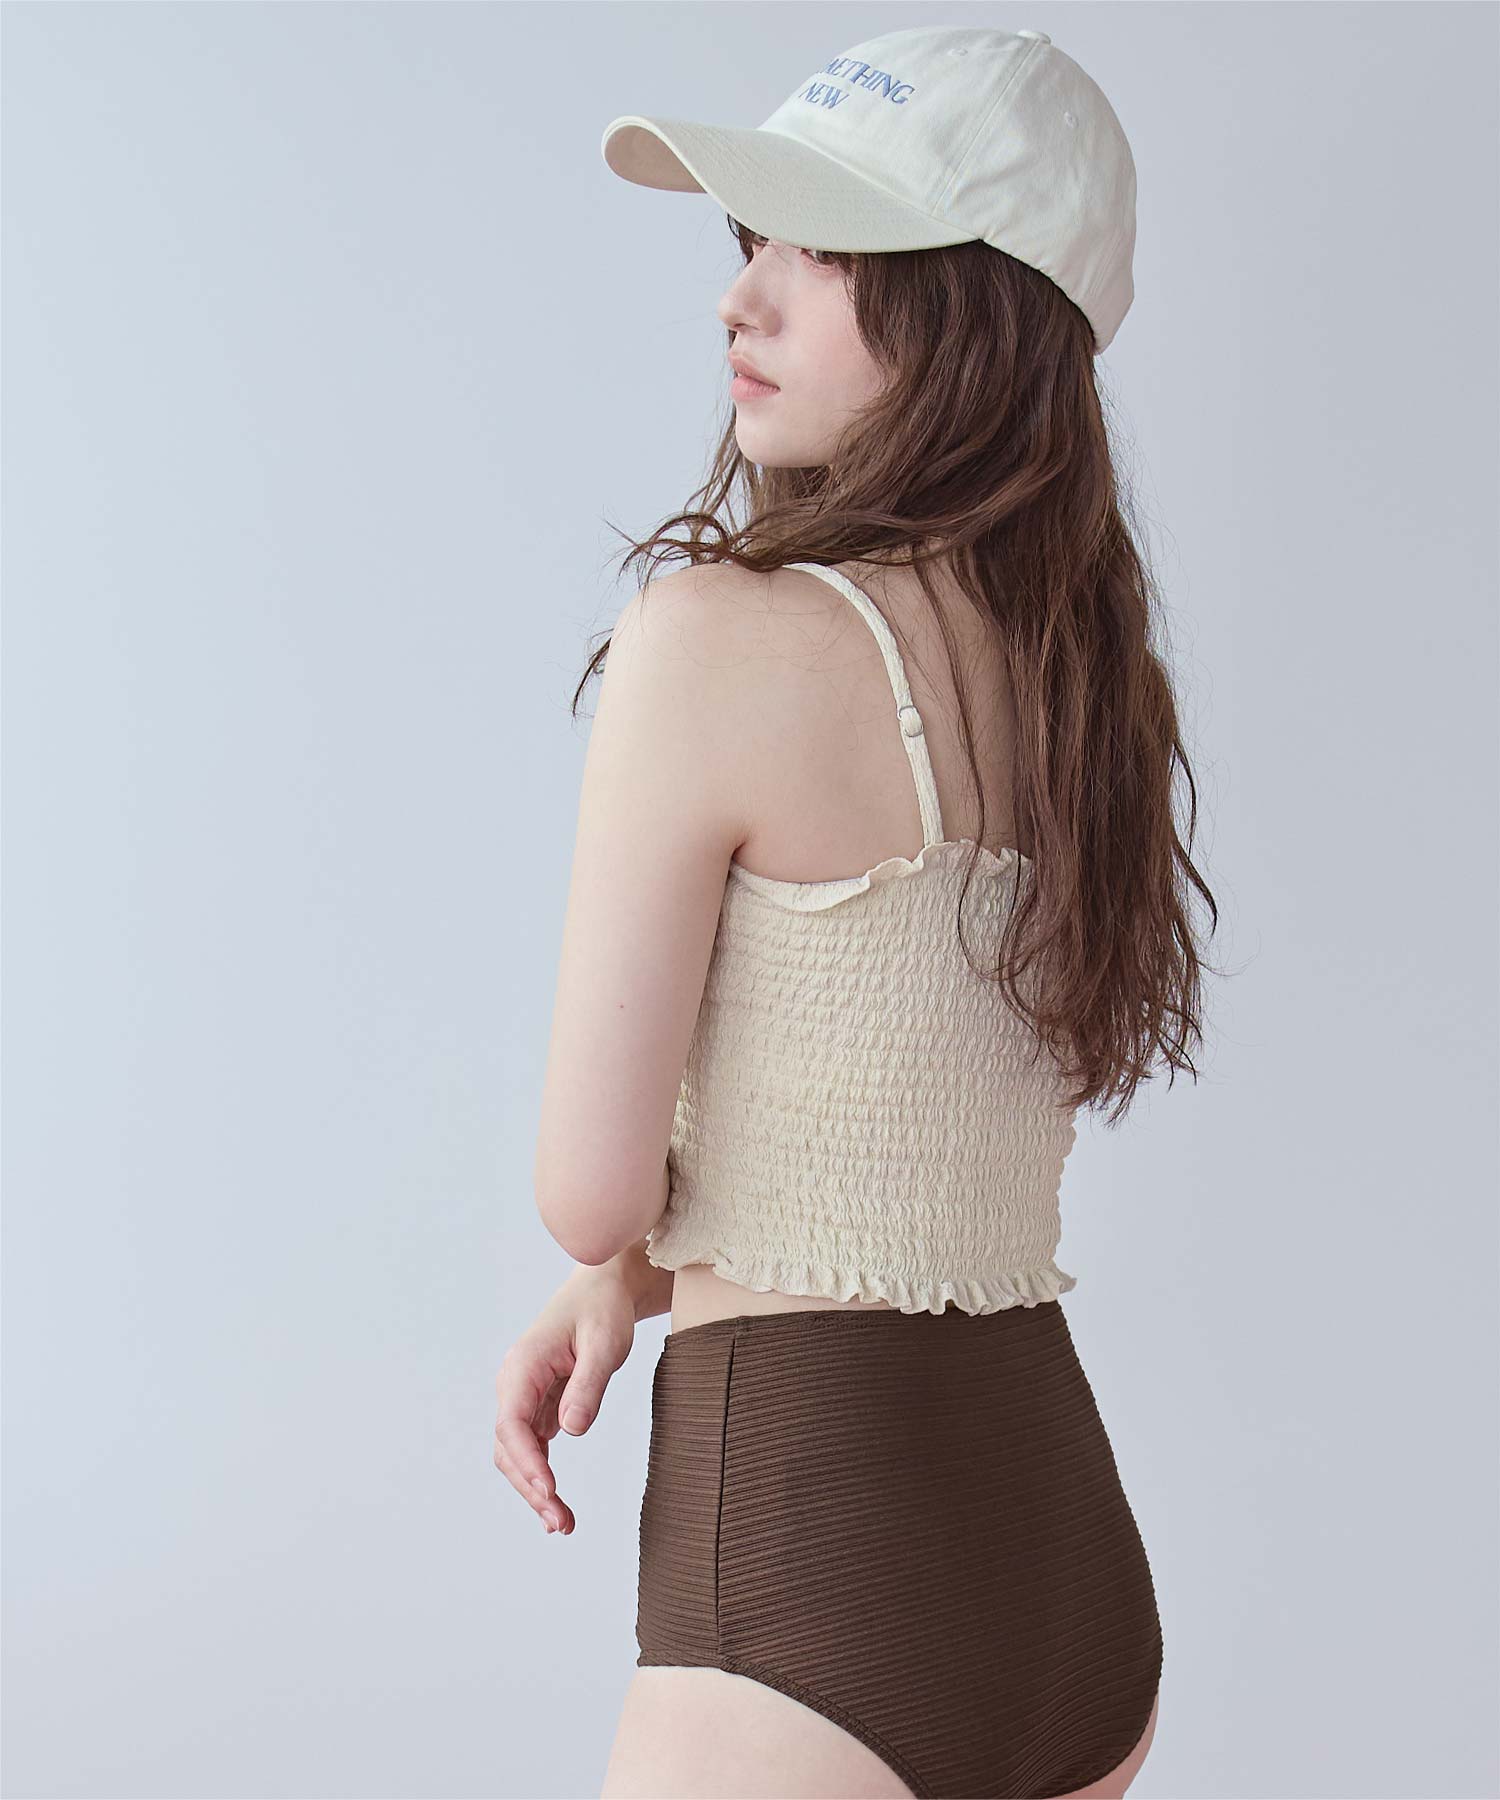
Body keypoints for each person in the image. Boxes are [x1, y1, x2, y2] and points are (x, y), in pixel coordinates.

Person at [495, 25, 1218, 1799]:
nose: (742, 296)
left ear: (978, 311)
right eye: (752, 240)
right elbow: (898, 1108)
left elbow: (589, 1180)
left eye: (824, 252)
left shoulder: (718, 640)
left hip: (814, 1565)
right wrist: (628, 1278)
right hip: (1067, 1577)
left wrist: (606, 1248)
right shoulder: (1088, 691)